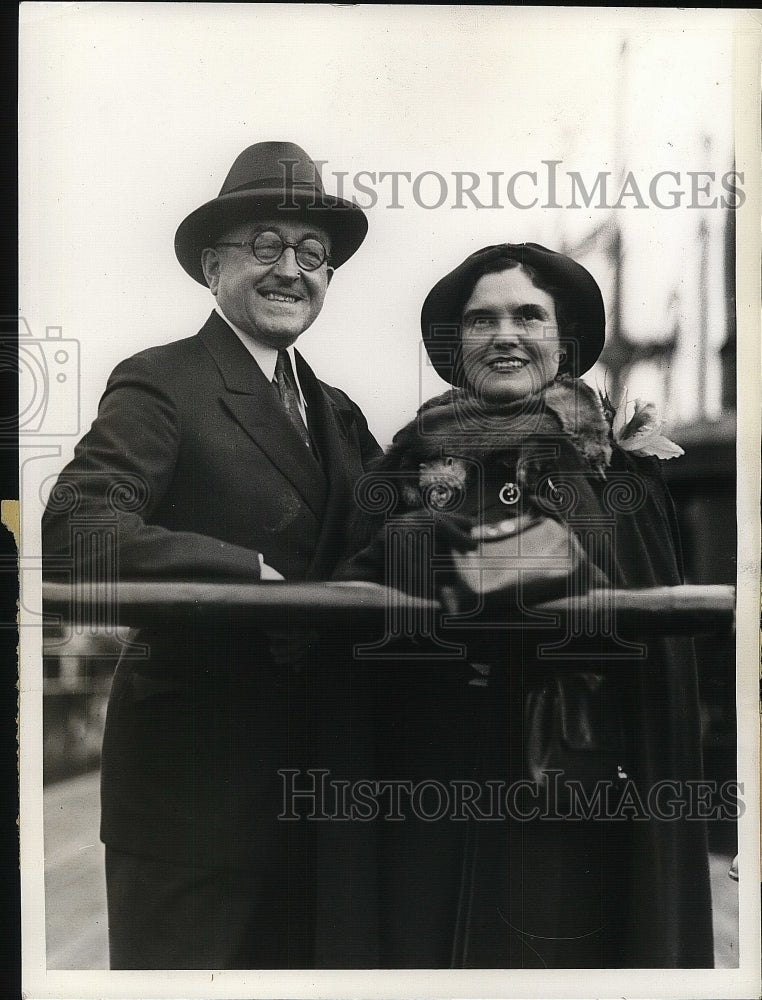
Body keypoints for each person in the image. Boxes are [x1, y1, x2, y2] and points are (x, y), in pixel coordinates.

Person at [42, 141, 382, 969]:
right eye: (267, 246)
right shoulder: (164, 382)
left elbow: (395, 538)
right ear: (212, 264)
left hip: (322, 801)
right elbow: (75, 534)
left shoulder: (339, 414)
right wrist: (243, 576)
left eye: (313, 255)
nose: (291, 271)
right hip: (193, 809)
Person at [337, 242, 714, 968]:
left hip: (566, 789)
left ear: (562, 343)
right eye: (480, 321)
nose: (504, 334)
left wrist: (433, 544)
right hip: (425, 789)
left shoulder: (614, 469)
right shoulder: (403, 464)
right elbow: (353, 595)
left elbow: (600, 588)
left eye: (527, 316)